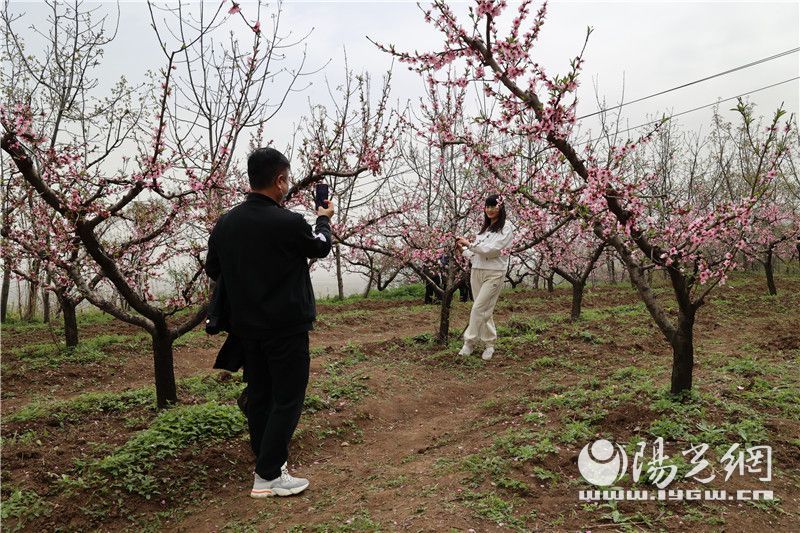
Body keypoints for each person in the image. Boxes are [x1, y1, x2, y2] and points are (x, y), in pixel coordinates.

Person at [205, 147, 334, 498]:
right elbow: (320, 247)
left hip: (248, 328)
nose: (287, 186)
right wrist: (324, 217)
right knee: (288, 397)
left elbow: (213, 269)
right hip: (286, 326)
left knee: (261, 394)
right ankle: (267, 475)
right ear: (279, 180)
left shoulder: (226, 223)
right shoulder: (288, 222)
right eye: (287, 180)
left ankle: (267, 463)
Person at [455, 194, 514, 361]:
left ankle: (469, 342)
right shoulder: (484, 230)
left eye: (493, 206)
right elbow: (477, 255)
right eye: (487, 206)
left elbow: (492, 250)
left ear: (501, 207)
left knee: (478, 308)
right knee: (484, 310)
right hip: (477, 271)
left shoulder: (506, 227)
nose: (490, 210)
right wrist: (463, 250)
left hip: (495, 272)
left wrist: (469, 244)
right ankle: (490, 345)